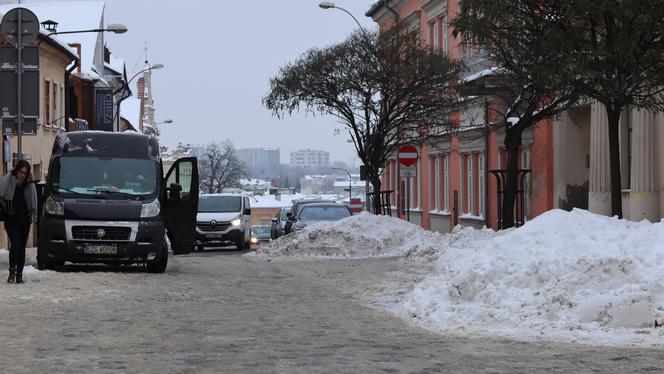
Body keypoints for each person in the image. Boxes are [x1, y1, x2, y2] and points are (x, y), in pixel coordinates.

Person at [0, 160, 37, 284]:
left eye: (25, 173)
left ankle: (19, 274)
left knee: (22, 247)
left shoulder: (29, 184)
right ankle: (12, 272)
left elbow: (33, 202)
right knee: (15, 244)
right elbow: (1, 195)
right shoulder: (8, 180)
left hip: (25, 220)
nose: (22, 175)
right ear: (16, 170)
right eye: (20, 172)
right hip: (10, 219)